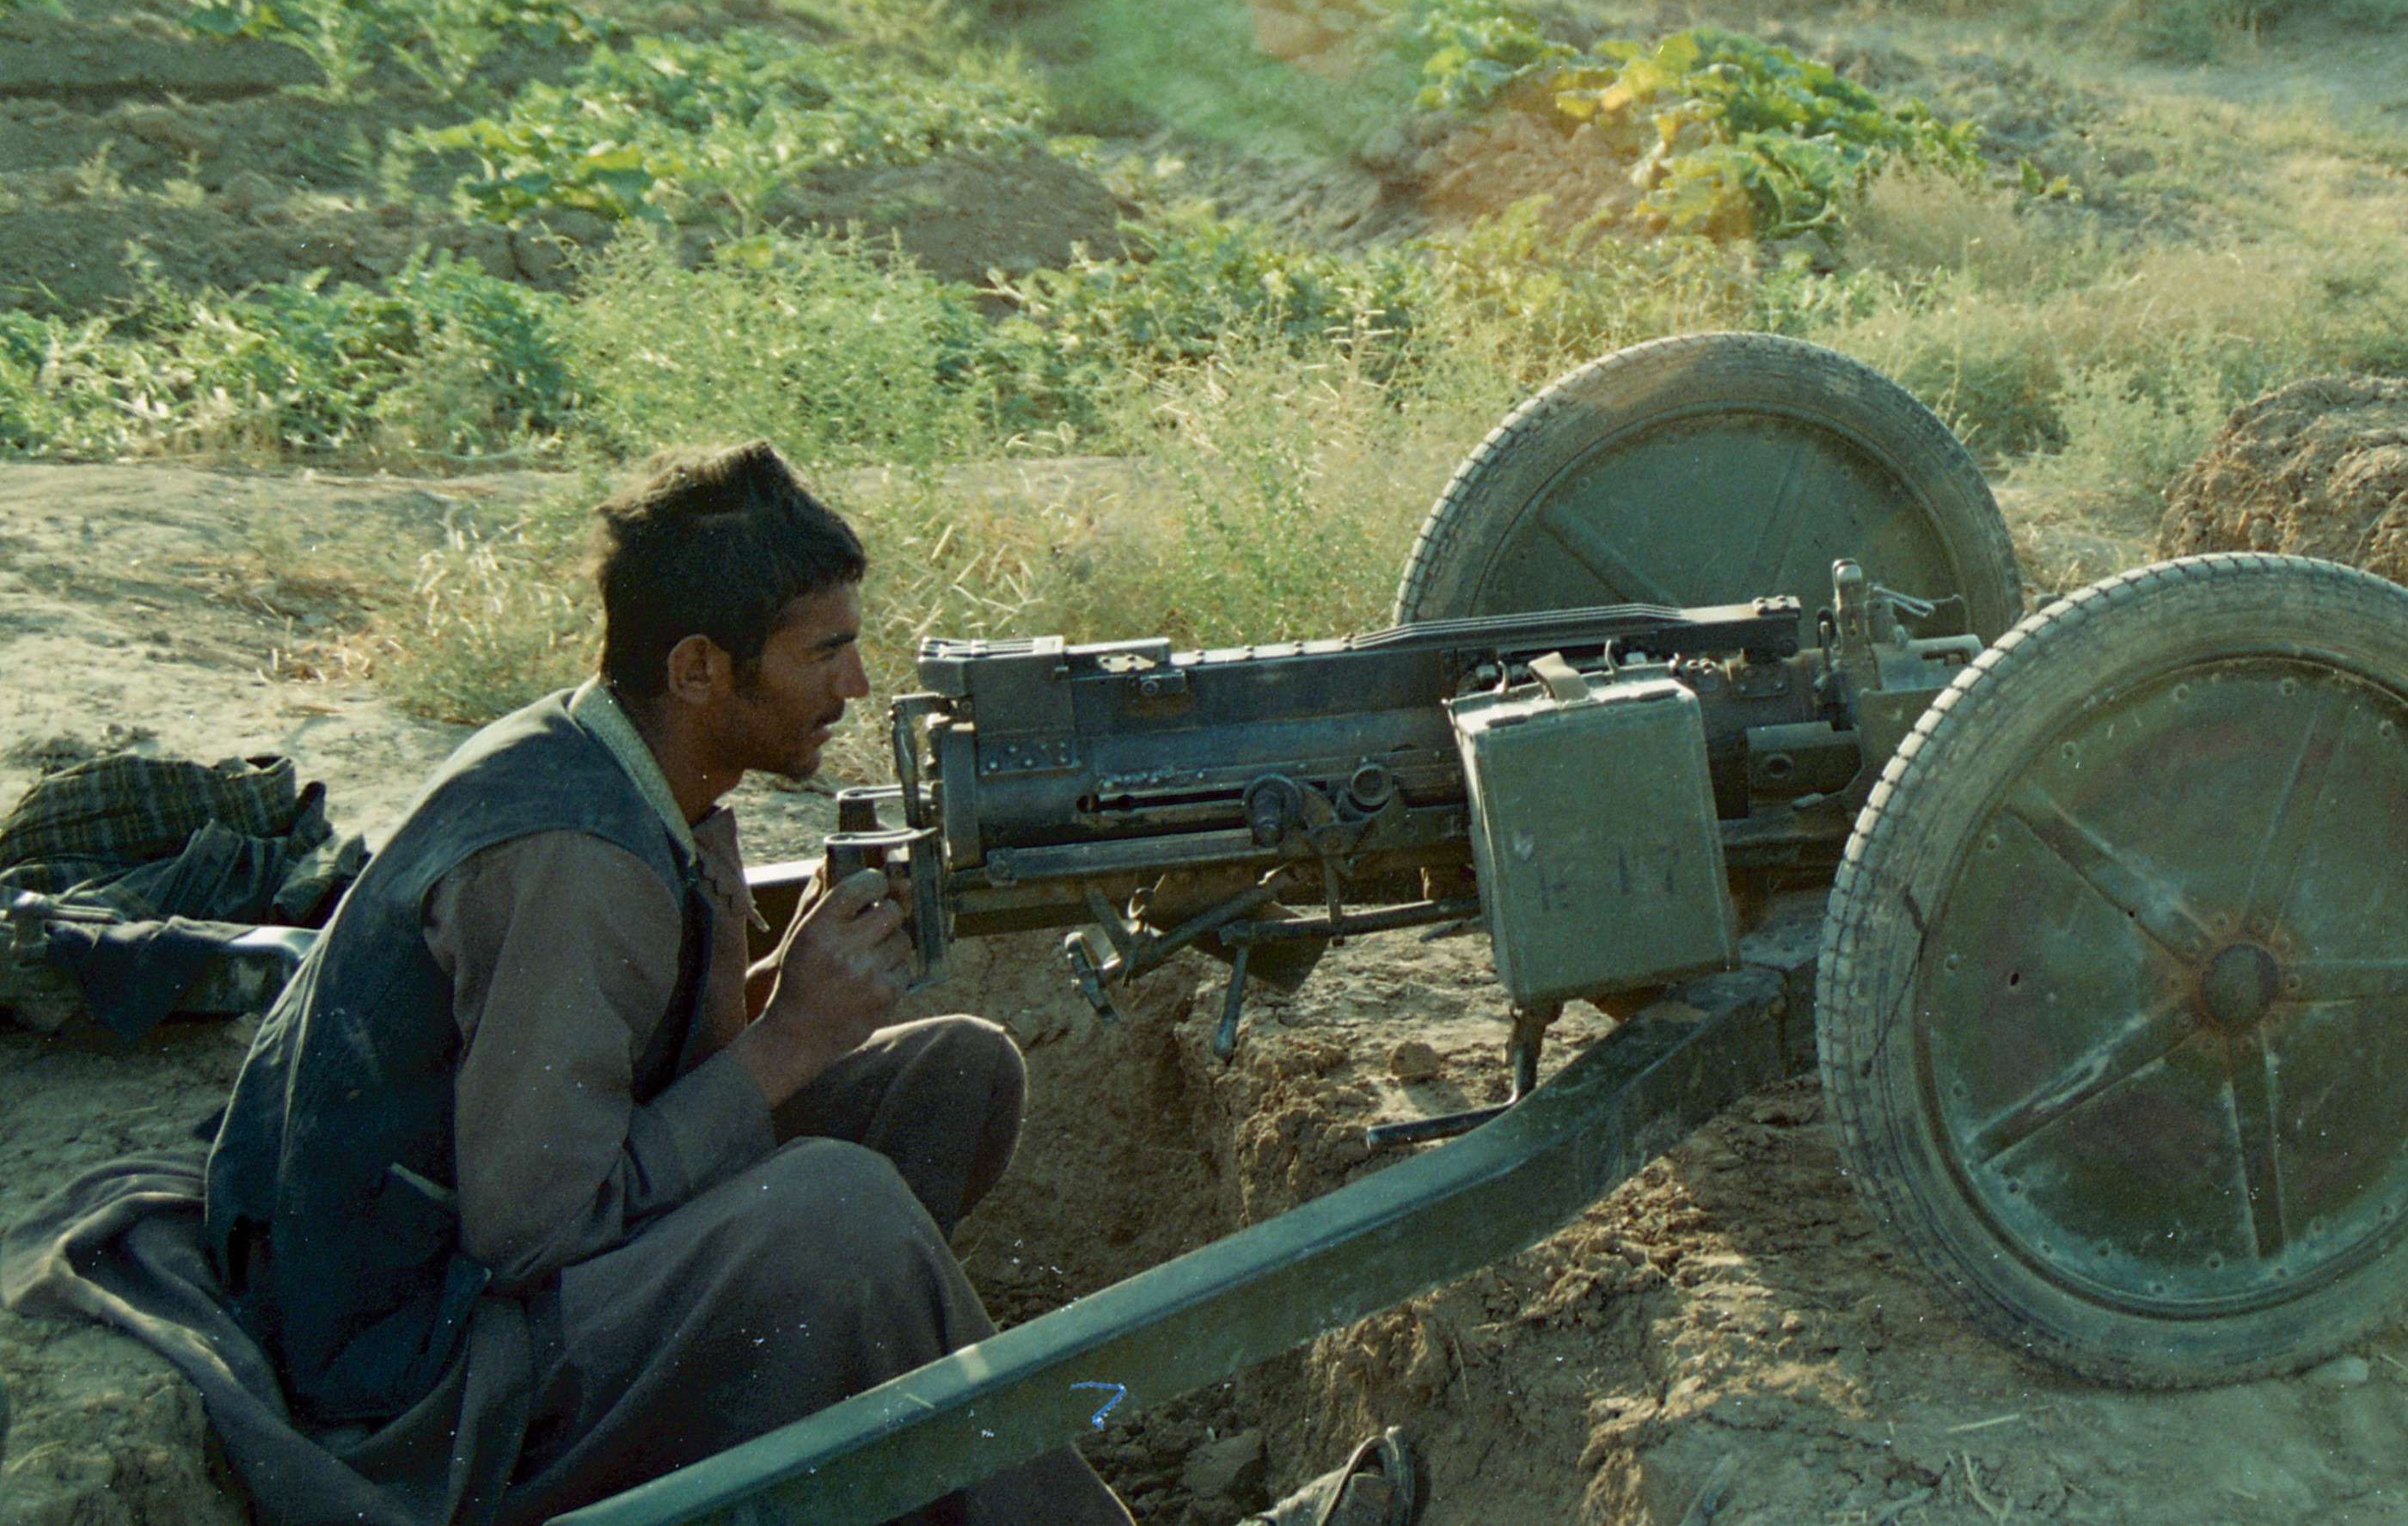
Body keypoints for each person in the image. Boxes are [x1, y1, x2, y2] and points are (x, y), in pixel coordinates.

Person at [4, 444, 1419, 1526]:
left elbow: (627, 1062)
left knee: (955, 1075)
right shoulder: (570, 857)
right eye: (823, 651)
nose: (855, 686)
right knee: (841, 1214)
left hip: (484, 1284)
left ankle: (864, 1436)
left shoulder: (637, 760)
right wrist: (791, 1034)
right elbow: (531, 1229)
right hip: (424, 1378)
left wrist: (779, 986)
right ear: (697, 665)